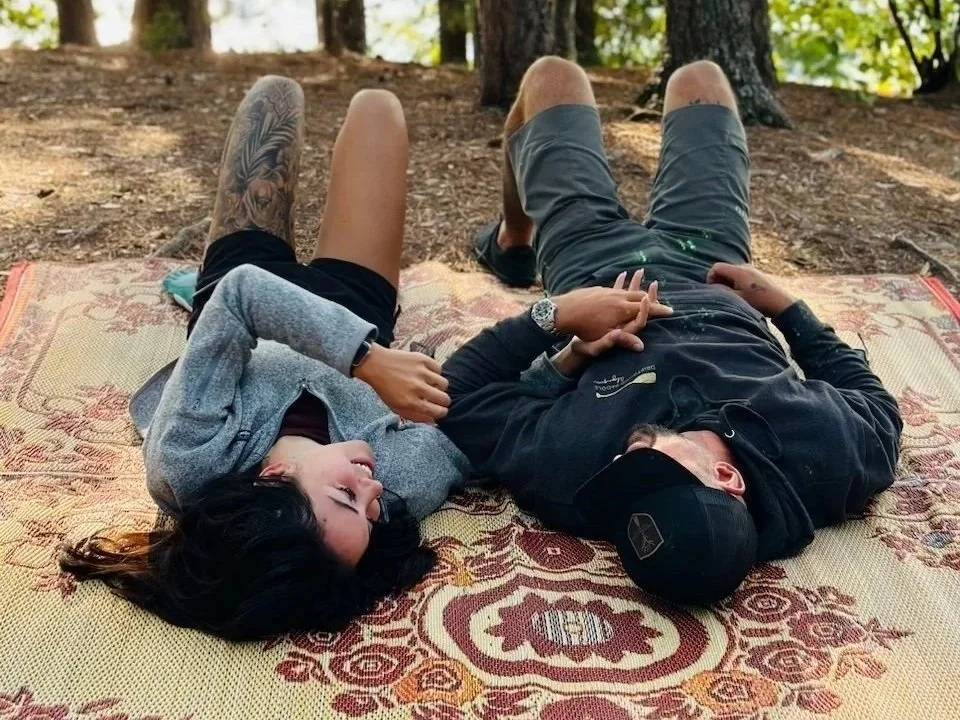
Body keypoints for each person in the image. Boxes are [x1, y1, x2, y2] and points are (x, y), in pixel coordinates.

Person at [441, 57, 902, 605]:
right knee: (701, 79)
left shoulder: (574, 473)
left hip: (595, 271)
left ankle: (516, 241)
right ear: (728, 480)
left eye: (626, 485)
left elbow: (456, 395)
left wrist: (559, 318)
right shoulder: (826, 454)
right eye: (655, 466)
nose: (627, 458)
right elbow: (873, 400)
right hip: (711, 266)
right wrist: (785, 307)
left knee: (552, 77)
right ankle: (514, 240)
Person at [60, 78, 471, 640]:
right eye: (371, 514)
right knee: (379, 108)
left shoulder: (188, 462)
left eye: (347, 494)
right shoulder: (400, 488)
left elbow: (242, 294)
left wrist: (369, 361)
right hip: (352, 303)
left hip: (245, 307)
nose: (372, 488)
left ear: (272, 477)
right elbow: (460, 415)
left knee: (276, 96)